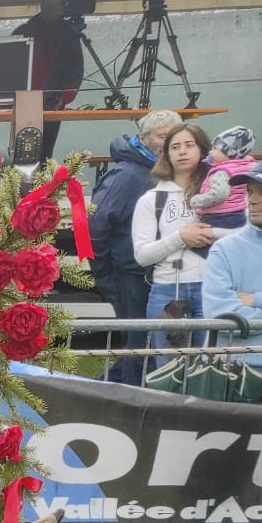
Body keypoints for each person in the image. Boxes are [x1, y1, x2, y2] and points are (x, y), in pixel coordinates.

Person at [92, 109, 183, 385]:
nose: (168, 144)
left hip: (160, 272)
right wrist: (105, 275)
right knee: (138, 343)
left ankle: (102, 389)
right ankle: (121, 398)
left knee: (151, 344)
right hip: (131, 273)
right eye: (162, 136)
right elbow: (96, 225)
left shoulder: (165, 172)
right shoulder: (127, 174)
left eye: (174, 137)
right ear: (143, 138)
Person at [202, 155, 262, 401]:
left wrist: (256, 299)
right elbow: (222, 316)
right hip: (234, 381)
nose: (253, 200)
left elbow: (240, 319)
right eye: (250, 191)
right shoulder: (225, 249)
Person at [134, 123, 219, 362]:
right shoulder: (151, 200)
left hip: (212, 288)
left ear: (203, 150)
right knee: (167, 372)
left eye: (189, 145)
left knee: (209, 368)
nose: (182, 151)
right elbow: (142, 255)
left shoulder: (223, 196)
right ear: (167, 154)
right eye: (175, 146)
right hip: (167, 291)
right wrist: (180, 237)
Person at [12, 0, 83, 156]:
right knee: (24, 152)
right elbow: (10, 66)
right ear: (42, 7)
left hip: (54, 102)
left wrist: (65, 98)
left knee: (45, 153)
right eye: (50, 6)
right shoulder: (25, 31)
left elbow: (75, 70)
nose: (53, 10)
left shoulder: (69, 35)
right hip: (26, 100)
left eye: (57, 6)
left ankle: (44, 181)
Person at [191, 126, 258, 229]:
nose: (210, 152)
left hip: (219, 216)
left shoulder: (222, 172)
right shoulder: (245, 167)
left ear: (230, 153)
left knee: (205, 242)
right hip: (239, 213)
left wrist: (196, 201)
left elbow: (220, 194)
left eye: (215, 148)